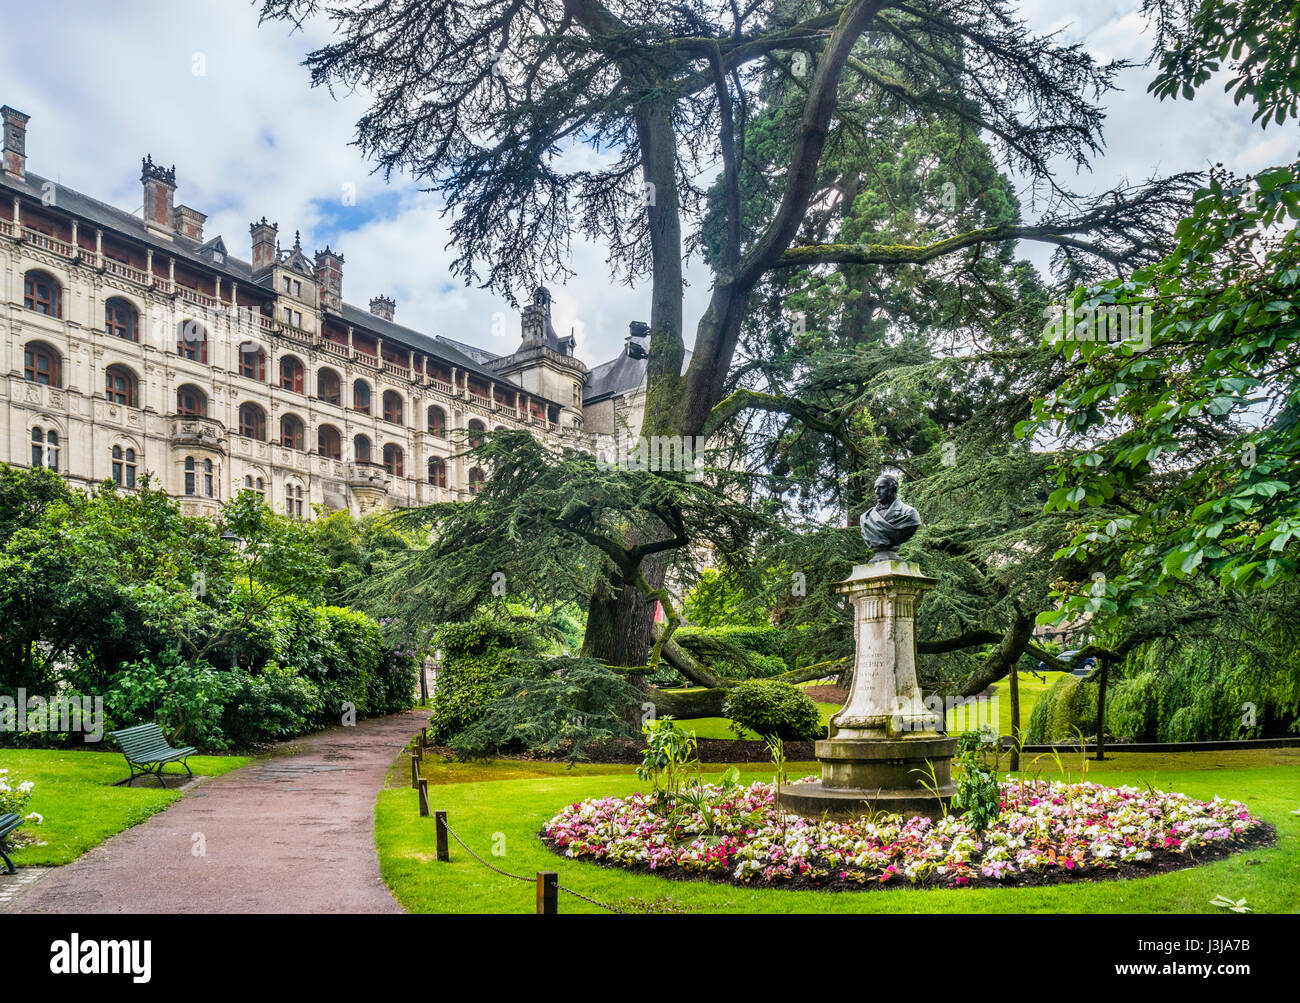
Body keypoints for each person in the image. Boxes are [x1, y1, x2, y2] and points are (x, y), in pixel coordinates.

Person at [860, 473, 921, 560]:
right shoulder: (866, 517)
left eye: (881, 487)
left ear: (893, 489)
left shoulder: (909, 513)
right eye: (875, 488)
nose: (877, 492)